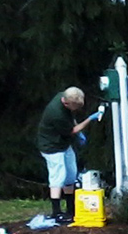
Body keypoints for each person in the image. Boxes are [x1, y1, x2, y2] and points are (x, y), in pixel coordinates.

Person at [37, 87, 101, 223]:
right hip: (51, 147)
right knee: (57, 177)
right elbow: (71, 130)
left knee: (71, 174)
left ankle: (71, 209)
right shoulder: (56, 114)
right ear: (66, 103)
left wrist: (79, 133)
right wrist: (89, 119)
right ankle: (56, 212)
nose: (77, 109)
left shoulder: (64, 96)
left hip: (63, 144)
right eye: (75, 107)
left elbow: (71, 118)